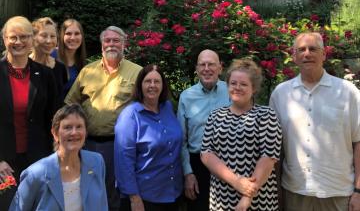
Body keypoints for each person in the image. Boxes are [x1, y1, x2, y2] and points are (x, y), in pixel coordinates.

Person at [269, 32, 360, 211]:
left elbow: (359, 142)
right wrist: (277, 190)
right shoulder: (281, 94)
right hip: (295, 192)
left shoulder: (348, 92)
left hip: (338, 192)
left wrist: (358, 189)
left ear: (324, 54)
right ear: (294, 56)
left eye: (313, 49)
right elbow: (274, 148)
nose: (307, 54)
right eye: (301, 50)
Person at [65, 25, 142, 210]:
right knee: (87, 190)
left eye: (116, 40)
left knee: (115, 193)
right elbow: (70, 104)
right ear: (101, 45)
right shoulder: (87, 72)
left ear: (124, 44)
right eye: (107, 40)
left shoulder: (137, 72)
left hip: (120, 145)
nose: (111, 44)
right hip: (88, 144)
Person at [201, 59, 282, 211]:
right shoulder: (216, 116)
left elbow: (268, 157)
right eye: (233, 83)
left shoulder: (266, 115)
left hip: (258, 200)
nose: (237, 88)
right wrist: (236, 181)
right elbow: (206, 154)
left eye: (243, 84)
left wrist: (246, 198)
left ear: (254, 88)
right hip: (222, 199)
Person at [0, 16, 57, 209]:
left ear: (32, 40)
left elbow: (55, 117)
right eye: (13, 37)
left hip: (39, 159)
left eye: (24, 37)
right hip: (4, 164)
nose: (18, 42)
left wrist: (55, 155)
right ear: (4, 40)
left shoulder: (47, 75)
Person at [9, 103, 108, 211]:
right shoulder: (35, 174)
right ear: (55, 134)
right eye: (67, 127)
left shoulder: (97, 162)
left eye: (79, 127)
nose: (74, 132)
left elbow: (102, 205)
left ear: (85, 132)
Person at [114, 64, 183, 211]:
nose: (152, 85)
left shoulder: (168, 108)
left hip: (173, 193)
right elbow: (123, 161)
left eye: (157, 81)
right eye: (148, 81)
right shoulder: (130, 116)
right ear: (140, 85)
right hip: (145, 198)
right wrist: (134, 197)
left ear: (163, 86)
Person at [177, 49, 230, 210]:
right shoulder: (186, 97)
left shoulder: (233, 90)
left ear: (220, 68)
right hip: (198, 167)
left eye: (211, 64)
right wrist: (188, 173)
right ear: (197, 69)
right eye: (202, 64)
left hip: (230, 164)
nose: (207, 68)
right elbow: (181, 141)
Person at [30, 17, 68, 103]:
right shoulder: (24, 66)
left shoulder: (61, 68)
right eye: (44, 36)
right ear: (33, 38)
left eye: (53, 36)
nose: (49, 41)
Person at [55, 19, 87, 97]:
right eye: (68, 33)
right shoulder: (51, 56)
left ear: (81, 36)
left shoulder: (82, 63)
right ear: (62, 35)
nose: (73, 38)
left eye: (77, 33)